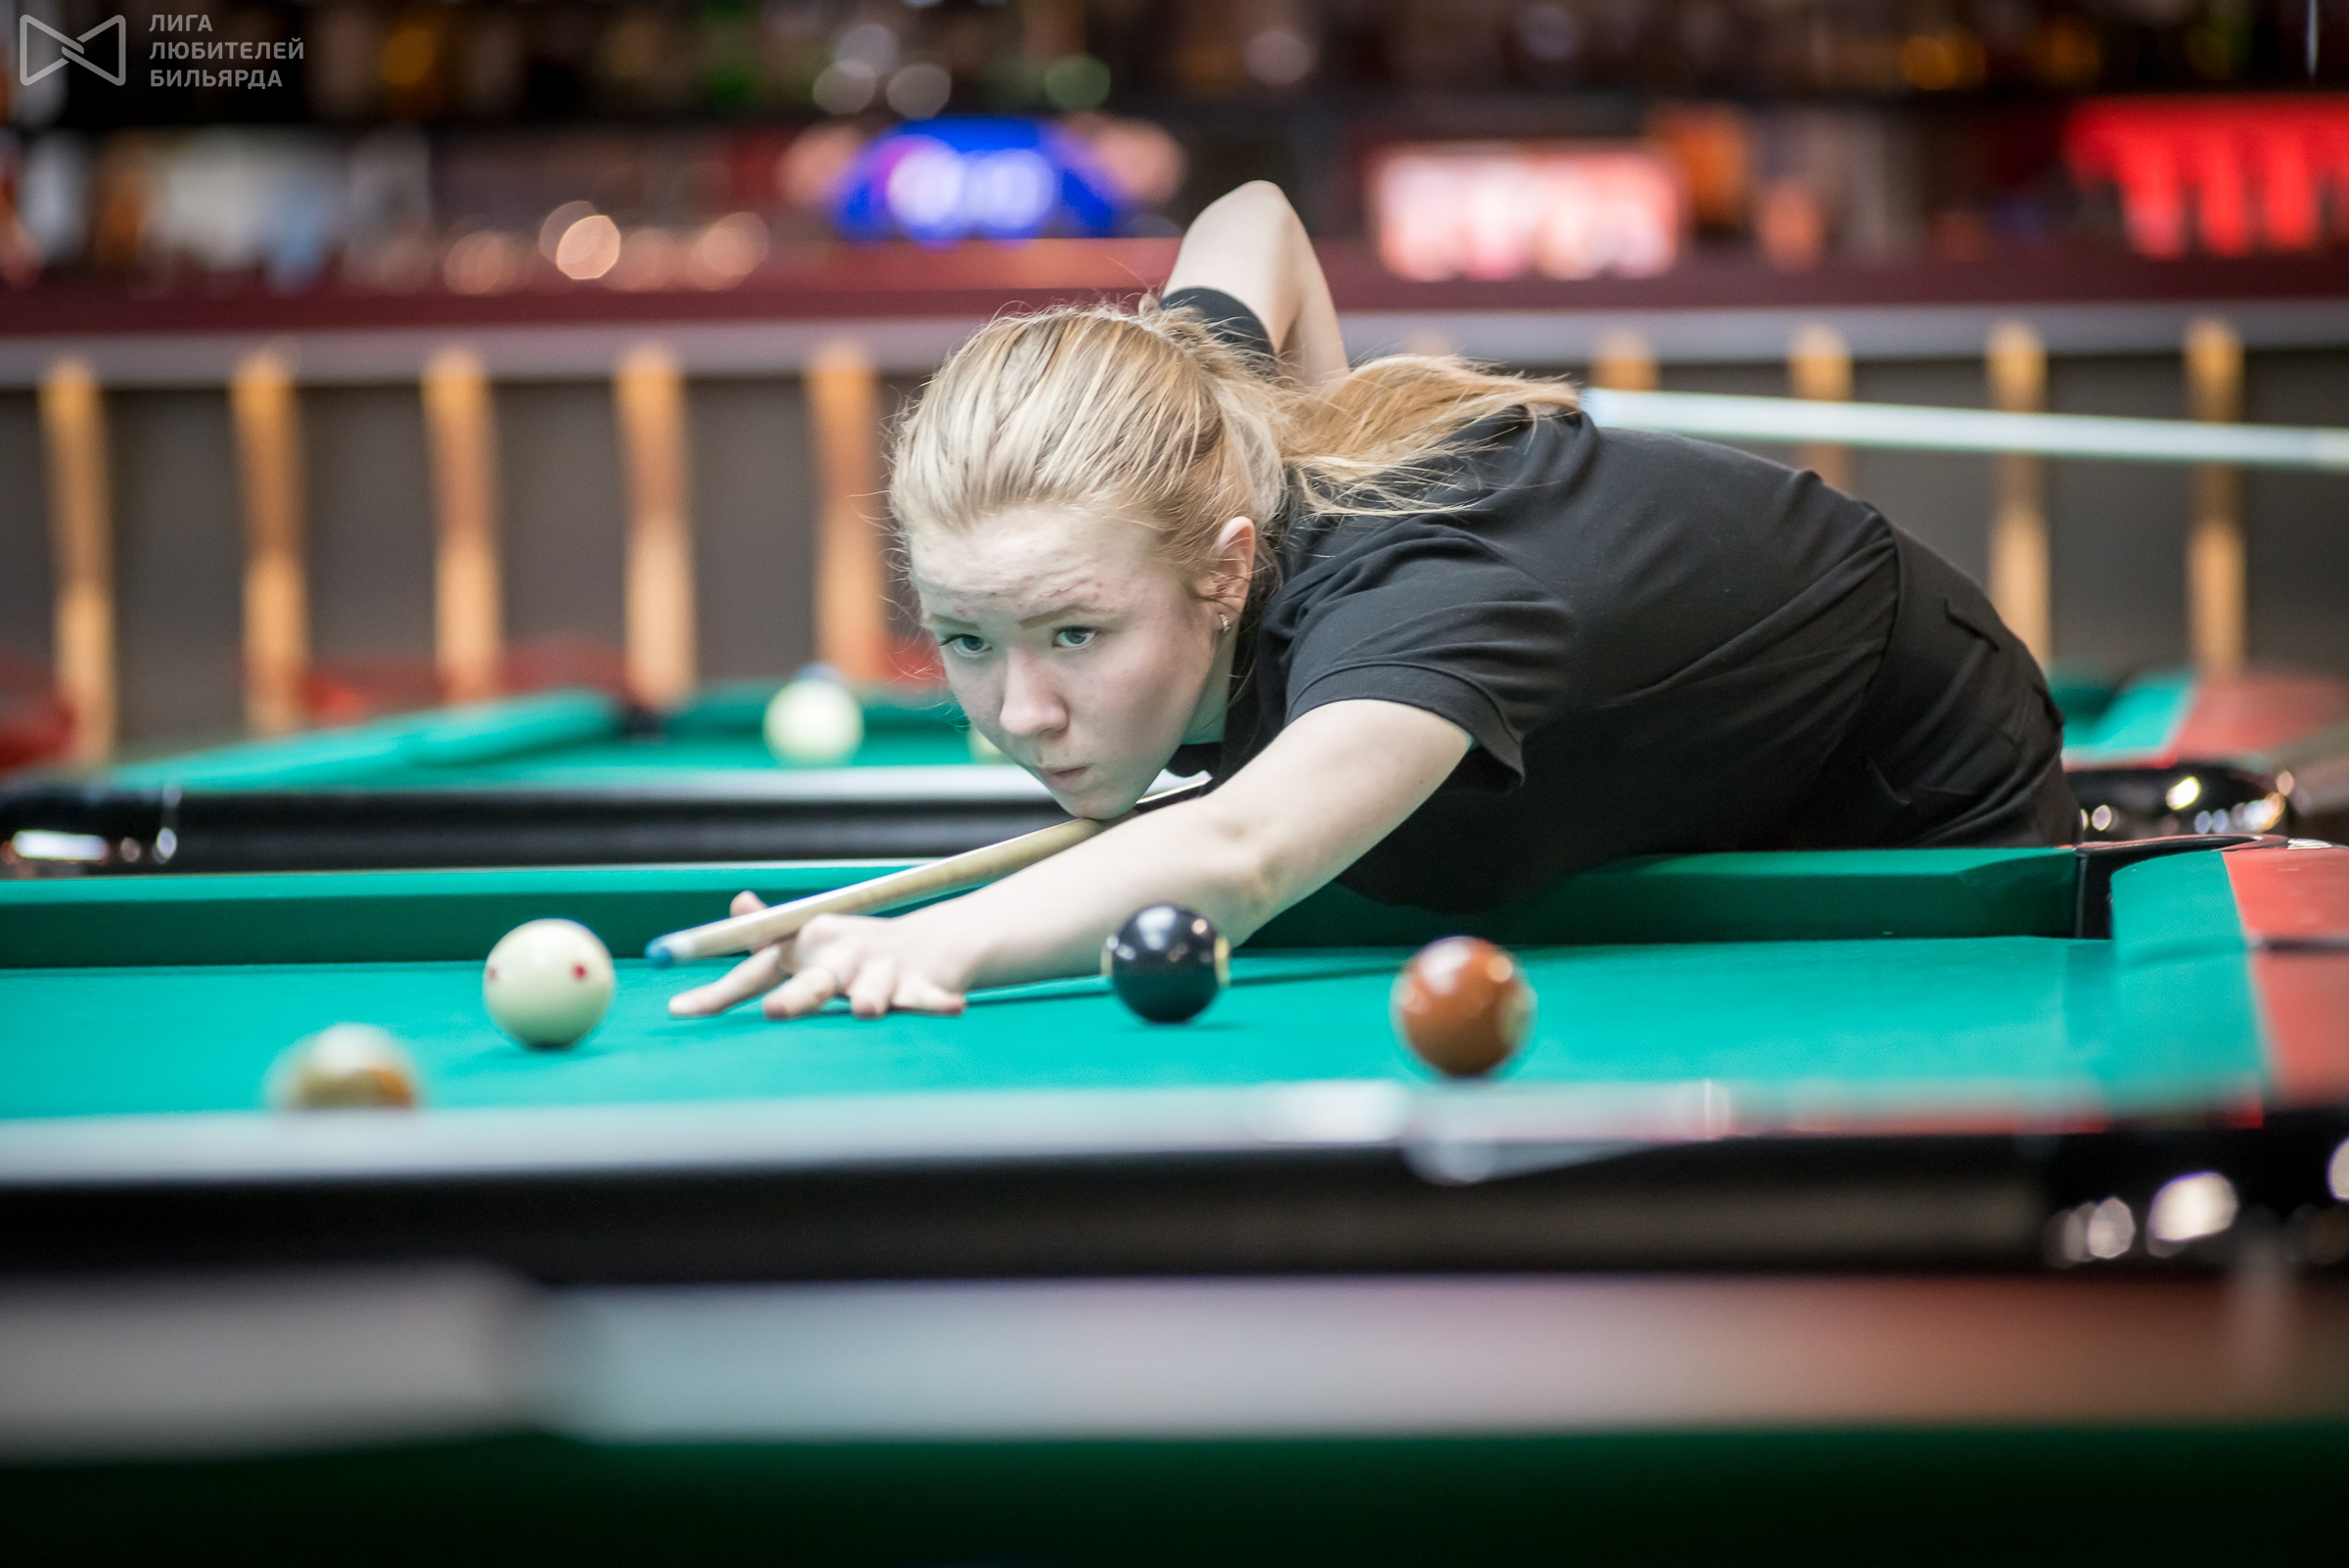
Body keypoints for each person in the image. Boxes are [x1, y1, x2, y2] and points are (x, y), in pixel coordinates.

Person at [671, 181, 2076, 1024]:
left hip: (1901, 792)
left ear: (1227, 566)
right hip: (1669, 770)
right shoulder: (1191, 428)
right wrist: (1318, 422)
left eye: (1076, 634)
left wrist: (936, 938)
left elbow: (1242, 851)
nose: (1019, 713)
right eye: (968, 642)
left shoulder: (1416, 606)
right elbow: (1253, 219)